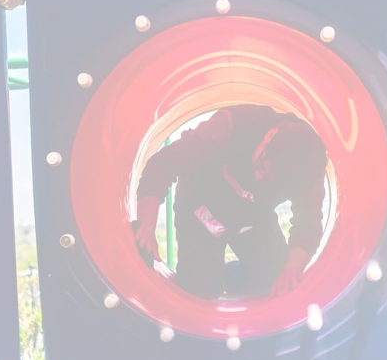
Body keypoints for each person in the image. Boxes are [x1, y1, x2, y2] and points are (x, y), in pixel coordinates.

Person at [133, 104, 328, 300]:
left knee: (273, 280)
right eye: (262, 166)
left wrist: (292, 267)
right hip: (201, 207)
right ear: (268, 137)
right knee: (200, 290)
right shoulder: (235, 126)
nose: (257, 178)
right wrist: (147, 226)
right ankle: (207, 278)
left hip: (252, 218)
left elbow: (308, 220)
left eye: (270, 181)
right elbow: (163, 164)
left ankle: (226, 277)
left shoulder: (309, 173)